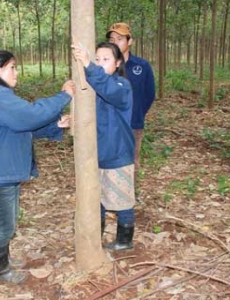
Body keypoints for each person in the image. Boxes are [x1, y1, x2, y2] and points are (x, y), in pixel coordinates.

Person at [0, 49, 75, 284]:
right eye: (12, 67)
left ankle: (4, 259)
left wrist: (56, 125)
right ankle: (0, 270)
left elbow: (21, 127)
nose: (16, 72)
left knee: (8, 222)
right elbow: (29, 116)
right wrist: (63, 96)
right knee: (4, 226)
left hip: (5, 172)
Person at [72, 42, 135, 251]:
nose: (100, 64)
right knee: (95, 199)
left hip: (118, 154)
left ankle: (124, 241)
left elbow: (109, 90)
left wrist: (89, 65)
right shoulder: (91, 87)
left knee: (122, 200)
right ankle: (95, 240)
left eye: (105, 59)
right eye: (96, 59)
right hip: (95, 156)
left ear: (118, 63)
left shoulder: (121, 86)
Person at [106, 22, 156, 196]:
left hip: (133, 123)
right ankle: (110, 195)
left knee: (132, 161)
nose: (115, 42)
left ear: (130, 41)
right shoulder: (105, 66)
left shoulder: (141, 66)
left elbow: (149, 94)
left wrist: (137, 113)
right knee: (109, 159)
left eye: (120, 39)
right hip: (109, 124)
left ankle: (130, 195)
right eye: (112, 39)